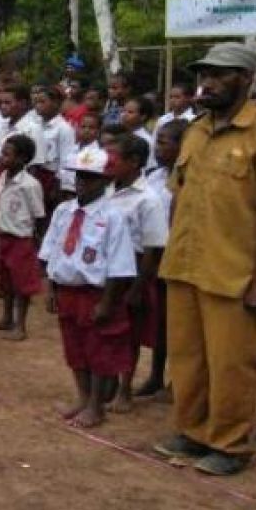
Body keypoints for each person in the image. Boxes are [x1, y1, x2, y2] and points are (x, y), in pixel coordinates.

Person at [154, 43, 256, 476]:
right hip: (185, 265)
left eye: (220, 74)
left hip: (233, 273)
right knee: (187, 357)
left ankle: (229, 443)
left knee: (231, 363)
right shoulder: (196, 131)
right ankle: (192, 430)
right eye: (205, 74)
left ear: (245, 78)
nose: (208, 82)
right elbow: (178, 196)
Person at [40, 145, 138, 429]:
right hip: (67, 289)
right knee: (75, 348)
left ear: (106, 180)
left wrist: (107, 303)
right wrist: (51, 289)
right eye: (79, 176)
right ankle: (82, 397)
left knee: (99, 350)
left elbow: (120, 267)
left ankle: (96, 405)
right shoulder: (63, 211)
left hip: (95, 292)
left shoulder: (112, 217)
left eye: (89, 178)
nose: (82, 183)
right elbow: (51, 252)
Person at [105, 132, 170, 415]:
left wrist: (137, 289)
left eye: (114, 157)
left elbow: (152, 248)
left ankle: (125, 388)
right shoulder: (107, 189)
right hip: (108, 267)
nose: (108, 162)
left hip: (134, 269)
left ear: (134, 162)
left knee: (129, 334)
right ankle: (105, 383)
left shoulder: (148, 199)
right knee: (107, 329)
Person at [139, 118, 187, 399]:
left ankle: (178, 381)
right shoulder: (154, 177)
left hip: (178, 257)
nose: (158, 148)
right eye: (157, 141)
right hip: (154, 258)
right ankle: (156, 375)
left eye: (165, 143)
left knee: (179, 325)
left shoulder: (187, 179)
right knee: (159, 321)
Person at [0, 134, 45, 341]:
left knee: (22, 284)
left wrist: (39, 244)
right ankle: (7, 317)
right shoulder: (2, 178)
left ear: (22, 159)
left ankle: (21, 325)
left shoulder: (30, 185)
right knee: (5, 281)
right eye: (2, 152)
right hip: (3, 235)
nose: (2, 157)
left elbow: (38, 215)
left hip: (21, 239)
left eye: (7, 154)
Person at [34, 85, 77, 208]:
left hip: (50, 176)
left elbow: (66, 159)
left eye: (42, 102)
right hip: (35, 174)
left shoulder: (63, 129)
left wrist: (61, 186)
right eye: (36, 102)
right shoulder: (35, 125)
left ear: (56, 103)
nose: (38, 105)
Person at [120, 95, 157, 172]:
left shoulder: (147, 141)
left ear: (143, 116)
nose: (124, 115)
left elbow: (150, 167)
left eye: (130, 112)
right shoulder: (120, 135)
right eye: (123, 111)